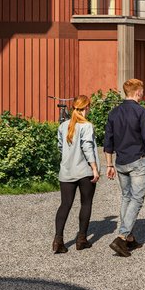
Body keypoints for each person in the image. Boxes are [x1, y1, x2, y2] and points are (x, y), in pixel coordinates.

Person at [104, 78, 145, 257]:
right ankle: (121, 237)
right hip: (138, 160)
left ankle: (129, 239)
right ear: (137, 92)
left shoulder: (114, 113)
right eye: (142, 91)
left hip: (121, 162)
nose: (143, 94)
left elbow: (108, 141)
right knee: (136, 199)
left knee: (126, 197)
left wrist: (109, 164)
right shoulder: (141, 112)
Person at [53, 94, 100, 253]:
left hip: (66, 171)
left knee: (65, 205)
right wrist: (94, 168)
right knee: (86, 203)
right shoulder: (87, 126)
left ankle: (58, 240)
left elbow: (60, 147)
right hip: (84, 171)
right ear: (87, 107)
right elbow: (87, 147)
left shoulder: (63, 125)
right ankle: (81, 239)